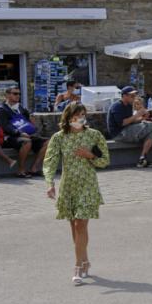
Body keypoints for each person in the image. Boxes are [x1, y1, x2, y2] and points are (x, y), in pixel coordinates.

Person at [43, 104, 109, 285]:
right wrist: (50, 183)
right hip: (69, 186)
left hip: (88, 185)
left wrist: (89, 155)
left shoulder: (94, 135)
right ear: (69, 117)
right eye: (78, 115)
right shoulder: (59, 137)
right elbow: (50, 161)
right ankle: (85, 260)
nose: (81, 118)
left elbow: (105, 161)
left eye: (83, 115)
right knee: (75, 227)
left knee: (81, 224)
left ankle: (77, 266)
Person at [0, 84, 49, 177]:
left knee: (49, 142)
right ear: (7, 95)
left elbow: (27, 123)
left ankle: (34, 168)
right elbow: (5, 126)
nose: (18, 96)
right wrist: (19, 133)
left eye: (19, 94)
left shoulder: (21, 108)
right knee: (27, 142)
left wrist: (32, 123)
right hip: (11, 136)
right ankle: (21, 170)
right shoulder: (2, 109)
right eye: (15, 93)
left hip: (26, 134)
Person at [107, 86, 152, 167]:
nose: (134, 98)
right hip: (119, 134)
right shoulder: (117, 106)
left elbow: (130, 121)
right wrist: (138, 114)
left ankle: (142, 159)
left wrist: (142, 118)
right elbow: (122, 123)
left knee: (150, 131)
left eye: (134, 95)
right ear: (124, 96)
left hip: (126, 130)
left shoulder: (128, 105)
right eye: (132, 96)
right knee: (150, 125)